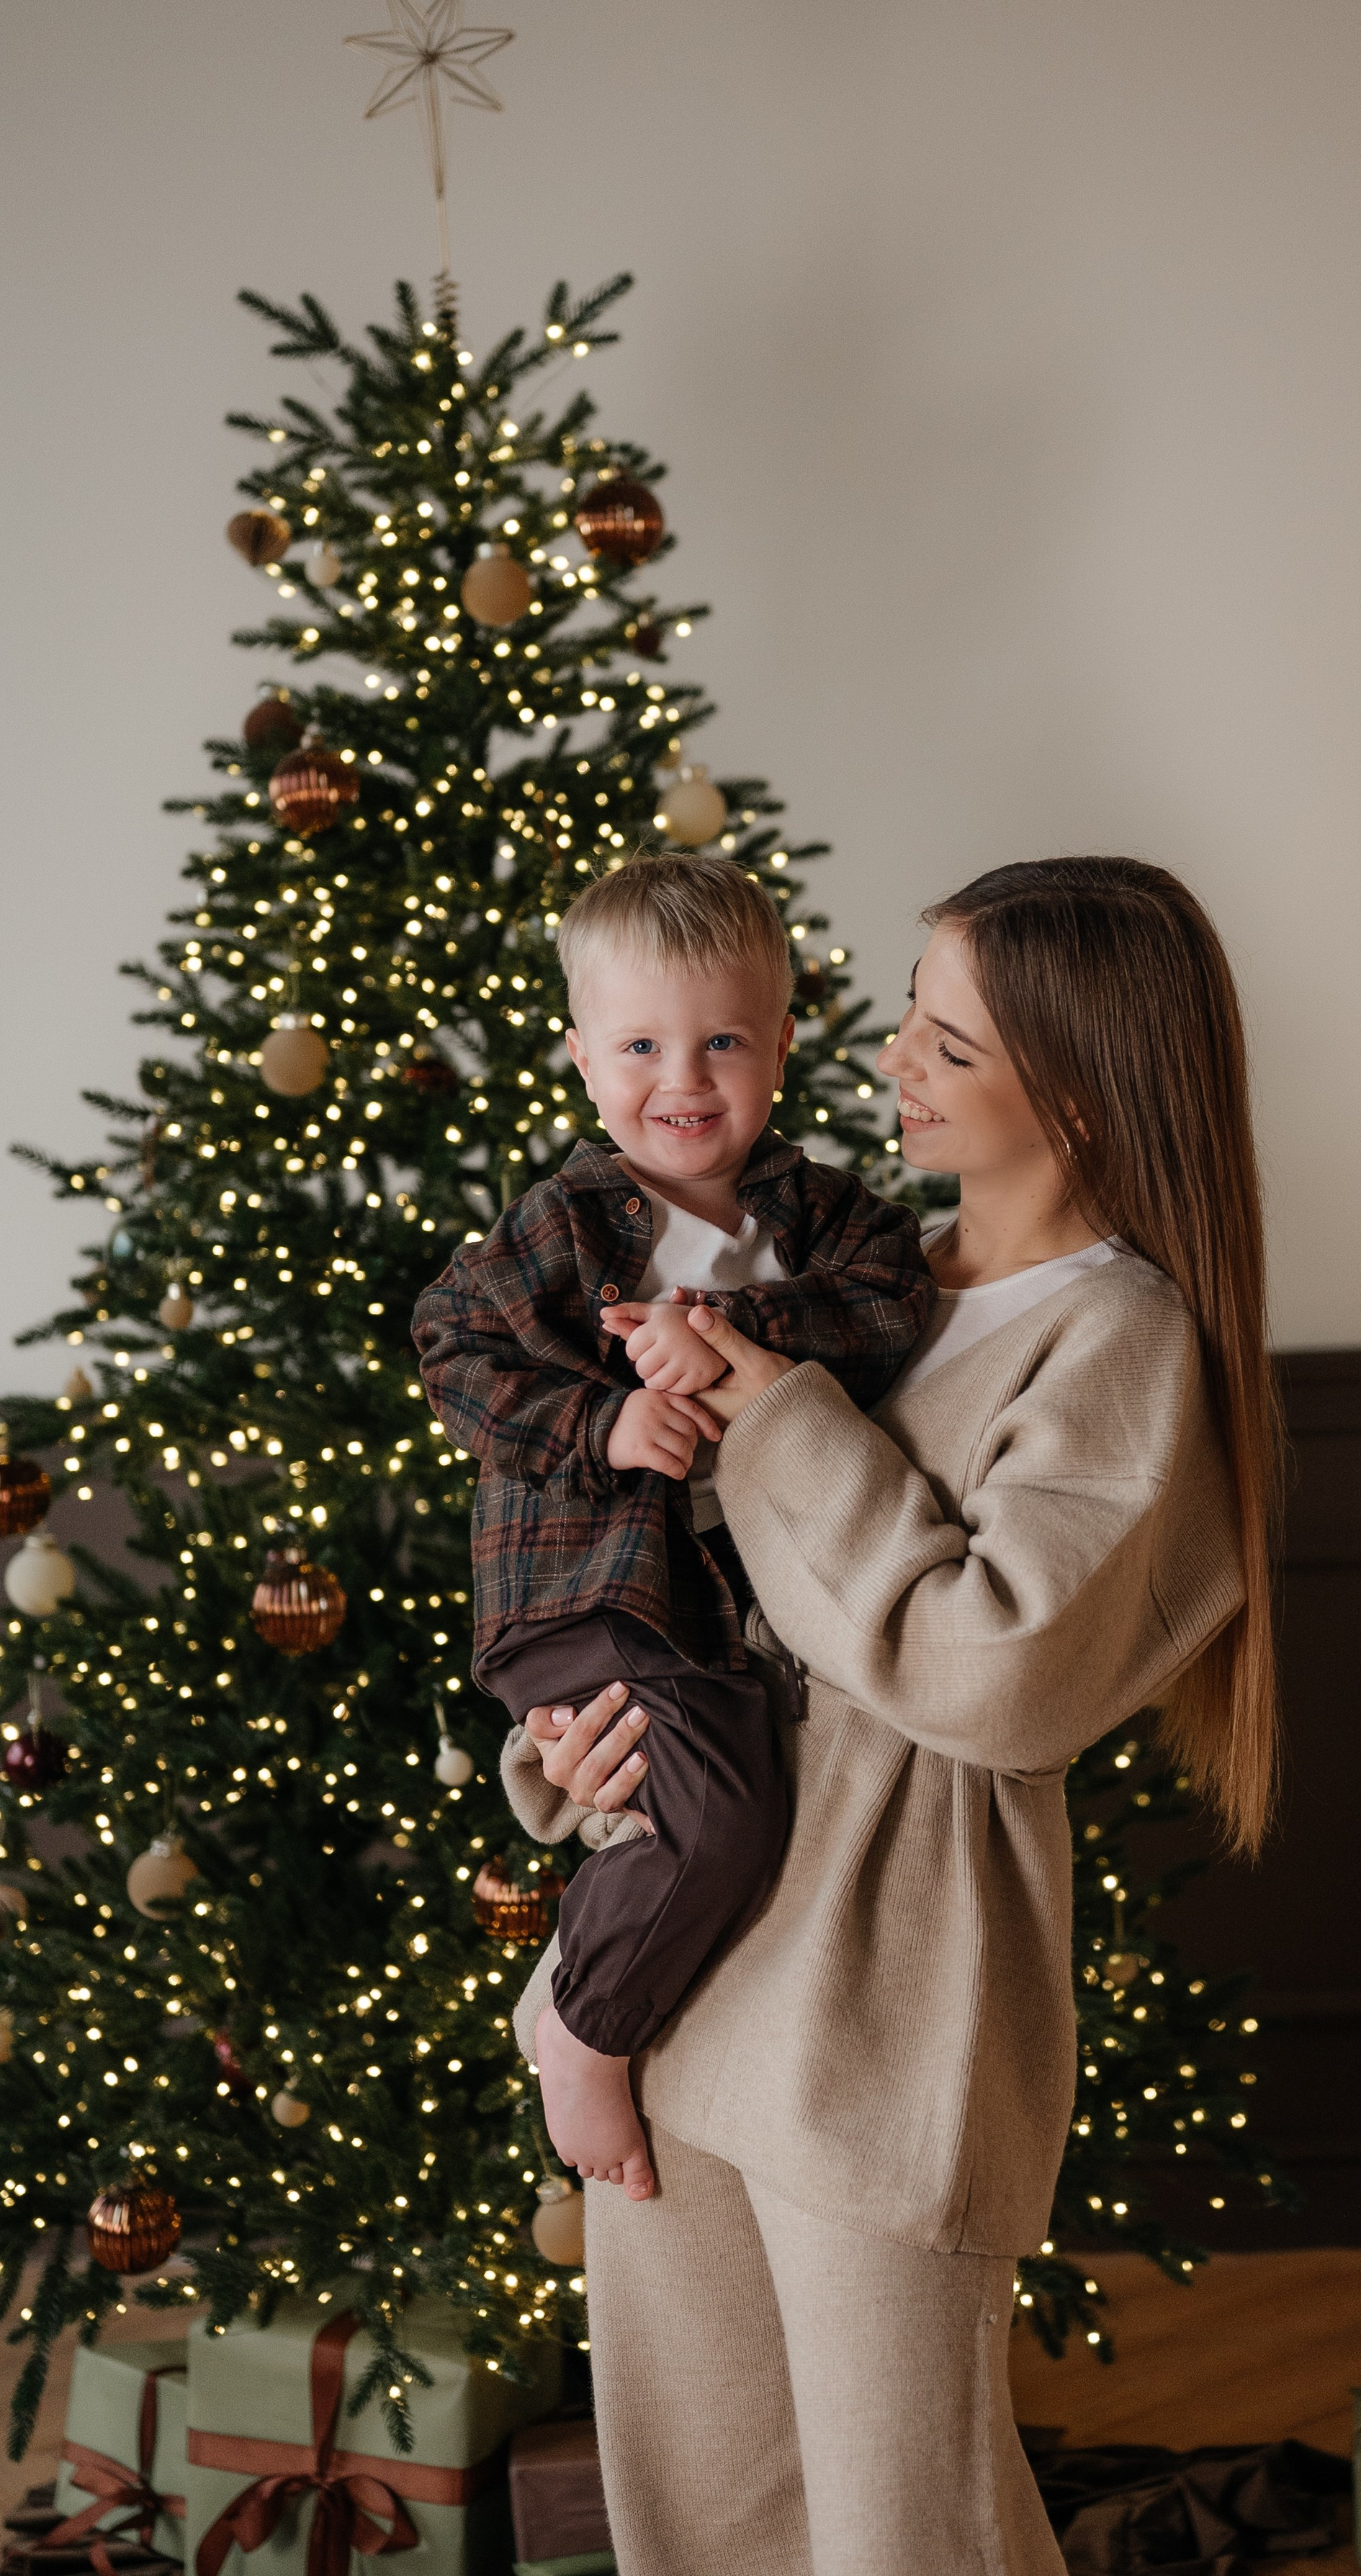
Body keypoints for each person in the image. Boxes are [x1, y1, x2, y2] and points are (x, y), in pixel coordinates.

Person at [502, 855, 1280, 2576]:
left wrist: (774, 1409)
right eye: (911, 1021)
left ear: (1072, 1083)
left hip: (879, 2011)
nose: (894, 1064)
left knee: (897, 2533)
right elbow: (672, 1578)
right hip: (679, 1988)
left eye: (946, 1039)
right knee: (698, 2518)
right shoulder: (860, 1284)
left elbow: (993, 1679)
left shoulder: (1117, 1343)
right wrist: (564, 1759)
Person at [412, 853, 931, 2202]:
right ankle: (583, 2030)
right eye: (640, 1043)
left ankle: (613, 1998)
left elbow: (886, 1306)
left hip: (700, 1599)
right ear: (581, 1055)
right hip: (588, 1589)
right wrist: (604, 1427)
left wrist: (731, 1336)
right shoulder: (568, 1227)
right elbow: (451, 1348)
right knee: (725, 1819)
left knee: (736, 1788)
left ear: (782, 1044)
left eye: (720, 1042)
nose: (682, 1081)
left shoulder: (819, 1221)